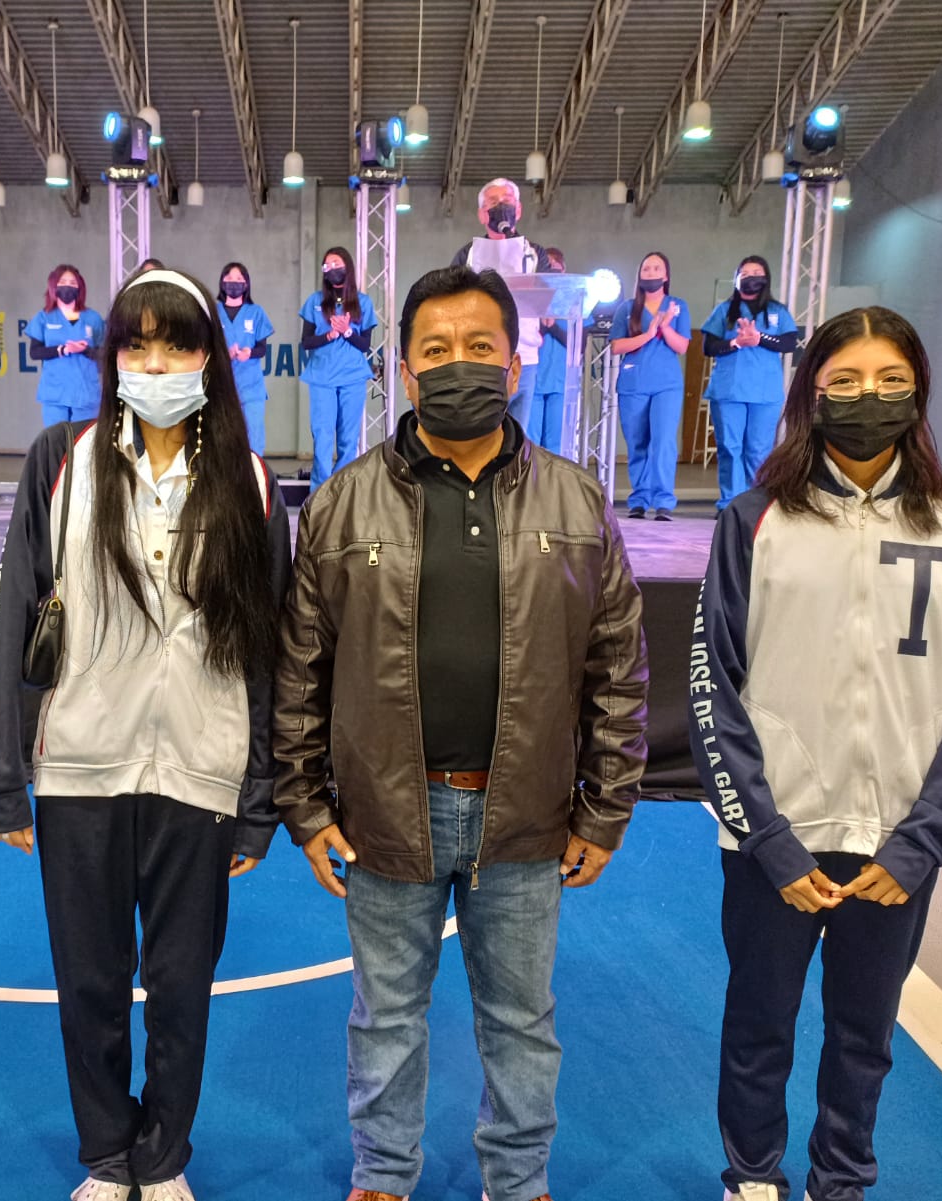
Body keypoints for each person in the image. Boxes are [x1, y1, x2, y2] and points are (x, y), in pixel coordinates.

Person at [275, 264, 649, 1201]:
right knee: (385, 1016)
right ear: (404, 372)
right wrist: (305, 805)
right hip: (384, 813)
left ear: (516, 365)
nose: (458, 365)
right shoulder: (340, 504)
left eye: (480, 346)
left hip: (524, 814)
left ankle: (518, 1180)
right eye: (435, 350)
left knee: (521, 1019)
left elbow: (618, 667)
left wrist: (605, 808)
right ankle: (383, 1173)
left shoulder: (578, 502)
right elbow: (300, 670)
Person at [0, 268, 292, 1201]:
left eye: (178, 344)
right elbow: (12, 613)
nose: (156, 364)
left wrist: (261, 797)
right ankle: (109, 1154)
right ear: (112, 354)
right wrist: (2, 775)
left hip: (201, 771)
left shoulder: (251, 482)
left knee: (183, 987)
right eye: (137, 343)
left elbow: (269, 653)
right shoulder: (60, 460)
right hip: (81, 768)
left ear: (209, 358)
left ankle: (163, 1158)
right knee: (90, 982)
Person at [690, 306, 942, 1201]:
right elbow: (713, 687)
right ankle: (753, 1175)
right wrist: (768, 839)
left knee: (864, 1032)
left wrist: (921, 842)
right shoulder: (754, 520)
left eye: (891, 380)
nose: (870, 397)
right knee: (760, 1023)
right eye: (847, 381)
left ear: (919, 391)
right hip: (776, 839)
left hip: (895, 845)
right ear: (811, 393)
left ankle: (842, 1179)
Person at [701, 255, 799, 509]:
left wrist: (759, 338)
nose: (751, 277)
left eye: (756, 273)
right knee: (730, 448)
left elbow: (789, 343)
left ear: (766, 279)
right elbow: (708, 347)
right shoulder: (724, 311)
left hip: (764, 392)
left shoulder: (777, 311)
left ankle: (754, 505)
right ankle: (730, 504)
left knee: (759, 450)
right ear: (736, 279)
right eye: (745, 273)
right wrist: (736, 342)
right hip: (729, 391)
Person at [450, 178, 547, 431]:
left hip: (524, 357)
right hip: (479, 357)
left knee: (517, 432)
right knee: (481, 430)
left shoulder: (535, 254)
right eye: (493, 202)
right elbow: (452, 301)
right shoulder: (468, 254)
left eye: (507, 201)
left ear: (519, 209)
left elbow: (549, 301)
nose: (501, 207)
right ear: (482, 214)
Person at [609, 251, 691, 520]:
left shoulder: (677, 306)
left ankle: (663, 500)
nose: (651, 273)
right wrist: (649, 334)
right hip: (634, 384)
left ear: (666, 275)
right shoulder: (627, 308)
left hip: (666, 385)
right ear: (639, 275)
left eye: (657, 268)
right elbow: (616, 346)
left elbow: (682, 346)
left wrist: (665, 328)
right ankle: (640, 499)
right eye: (646, 269)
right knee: (637, 443)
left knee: (663, 441)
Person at [299, 247, 376, 490]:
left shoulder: (363, 302)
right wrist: (330, 335)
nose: (332, 268)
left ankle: (342, 492)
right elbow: (306, 342)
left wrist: (347, 331)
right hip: (322, 377)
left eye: (336, 263)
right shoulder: (315, 302)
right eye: (327, 265)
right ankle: (319, 493)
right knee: (322, 437)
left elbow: (364, 345)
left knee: (348, 439)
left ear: (347, 267)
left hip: (352, 377)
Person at [25, 264, 105, 426]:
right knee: (57, 439)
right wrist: (63, 349)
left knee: (84, 439)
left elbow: (103, 353)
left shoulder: (93, 318)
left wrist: (85, 350)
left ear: (80, 288)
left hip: (86, 394)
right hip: (55, 393)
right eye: (63, 282)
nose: (68, 286)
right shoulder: (44, 317)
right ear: (54, 286)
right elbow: (35, 352)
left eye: (73, 283)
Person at [217, 261, 275, 455]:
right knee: (223, 437)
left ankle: (254, 472)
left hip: (251, 386)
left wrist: (249, 353)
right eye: (229, 278)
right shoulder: (214, 312)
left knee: (254, 438)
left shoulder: (256, 312)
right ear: (222, 282)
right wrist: (224, 353)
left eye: (239, 278)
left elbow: (262, 349)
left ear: (246, 284)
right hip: (222, 386)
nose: (234, 282)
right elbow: (206, 346)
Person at [529, 246, 579, 454]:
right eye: (547, 267)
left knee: (555, 444)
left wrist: (553, 326)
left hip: (560, 381)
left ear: (564, 270)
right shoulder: (531, 299)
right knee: (530, 440)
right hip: (534, 379)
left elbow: (579, 342)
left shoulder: (573, 300)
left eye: (555, 267)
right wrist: (543, 323)